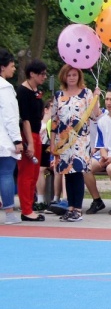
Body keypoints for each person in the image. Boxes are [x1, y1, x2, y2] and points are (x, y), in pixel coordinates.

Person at [50, 64, 101, 223]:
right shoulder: (58, 95)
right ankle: (70, 207)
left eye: (74, 75)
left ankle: (77, 209)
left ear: (79, 76)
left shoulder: (86, 94)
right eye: (69, 75)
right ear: (64, 77)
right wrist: (52, 143)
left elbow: (95, 116)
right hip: (63, 141)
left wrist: (96, 98)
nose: (72, 77)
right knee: (67, 173)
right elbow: (54, 121)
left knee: (78, 172)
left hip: (80, 139)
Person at [16, 59, 48, 221]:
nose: (44, 77)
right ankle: (26, 209)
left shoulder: (35, 91)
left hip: (36, 134)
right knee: (27, 174)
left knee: (34, 173)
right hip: (28, 135)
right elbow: (25, 119)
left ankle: (30, 205)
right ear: (32, 74)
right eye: (41, 74)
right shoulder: (23, 92)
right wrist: (29, 142)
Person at [0, 50, 22, 224]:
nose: (13, 69)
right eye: (12, 65)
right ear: (2, 67)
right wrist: (17, 139)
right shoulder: (5, 88)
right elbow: (10, 117)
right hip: (4, 139)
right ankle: (9, 213)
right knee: (6, 173)